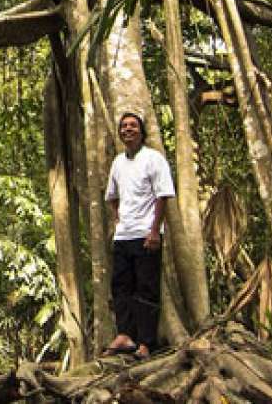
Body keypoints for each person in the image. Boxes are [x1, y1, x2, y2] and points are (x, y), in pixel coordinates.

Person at [104, 112, 175, 360]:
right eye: (123, 126)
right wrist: (118, 219)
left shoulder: (153, 159)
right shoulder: (117, 162)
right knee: (121, 286)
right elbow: (111, 196)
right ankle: (124, 334)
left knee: (147, 288)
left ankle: (146, 342)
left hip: (146, 234)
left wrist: (155, 230)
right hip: (123, 236)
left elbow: (163, 195)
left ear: (142, 131)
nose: (128, 130)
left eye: (133, 126)